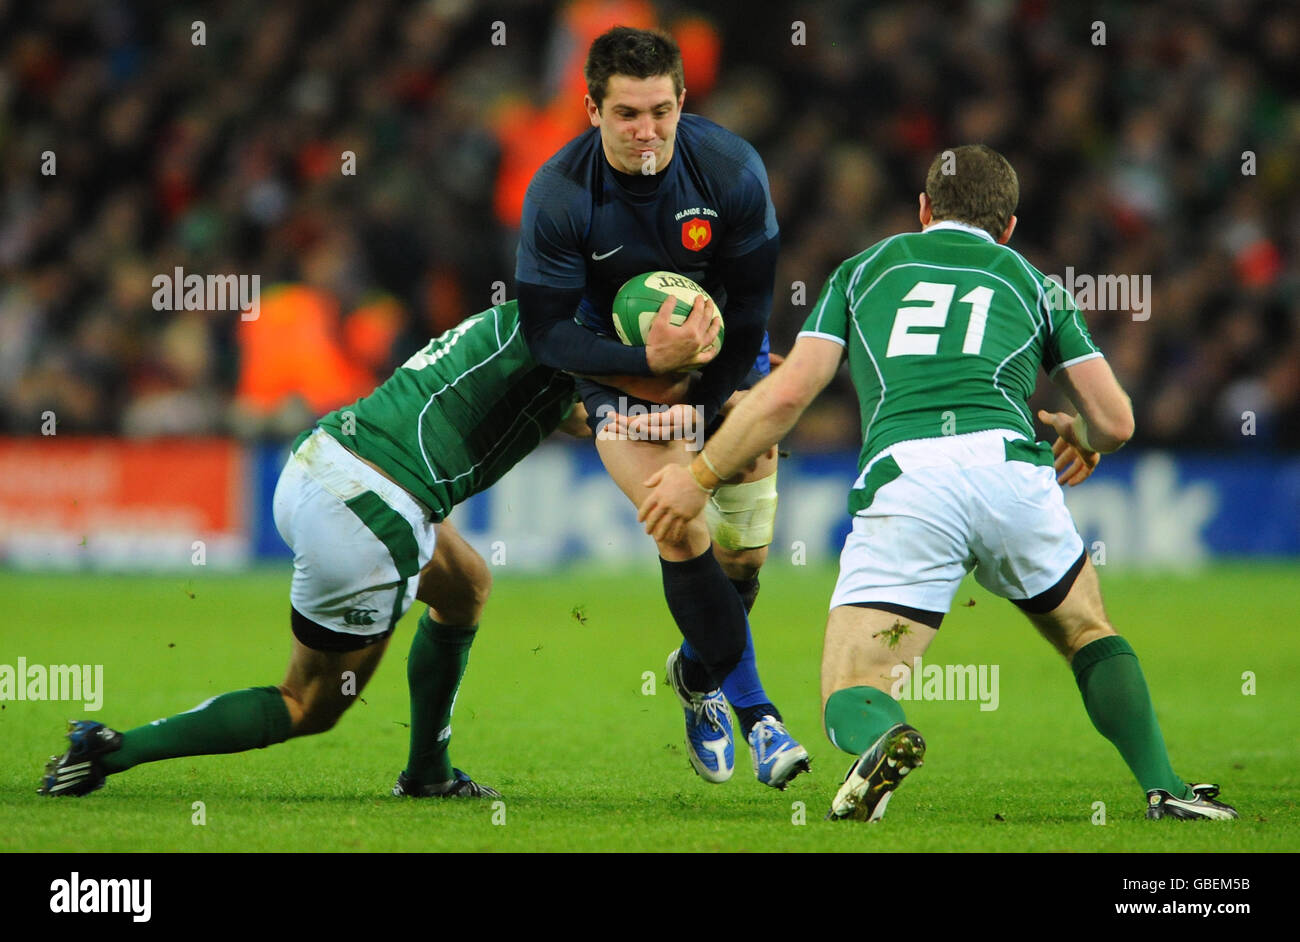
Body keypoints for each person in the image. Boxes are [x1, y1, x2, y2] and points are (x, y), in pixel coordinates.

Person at [634, 144, 1238, 822]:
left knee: (851, 687)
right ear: (1007, 226)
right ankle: (1165, 788)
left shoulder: (864, 271)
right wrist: (1081, 436)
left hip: (908, 480)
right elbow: (1118, 421)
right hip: (1011, 470)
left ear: (923, 211)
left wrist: (699, 476)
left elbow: (784, 398)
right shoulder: (1034, 281)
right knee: (1086, 630)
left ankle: (882, 736)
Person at [39, 300, 586, 799]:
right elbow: (614, 396)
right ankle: (113, 749)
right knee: (308, 703)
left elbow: (585, 414)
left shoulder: (530, 320)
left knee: (464, 585)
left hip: (320, 460)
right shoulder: (572, 335)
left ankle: (429, 773)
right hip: (373, 515)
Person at [515, 25, 808, 788]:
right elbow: (545, 335)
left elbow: (747, 313)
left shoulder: (731, 170)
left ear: (683, 101)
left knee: (741, 559)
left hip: (724, 363)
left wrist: (707, 410)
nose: (646, 131)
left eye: (660, 111)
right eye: (626, 114)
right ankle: (761, 719)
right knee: (677, 519)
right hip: (614, 373)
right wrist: (647, 368)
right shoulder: (558, 195)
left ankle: (696, 674)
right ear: (591, 110)